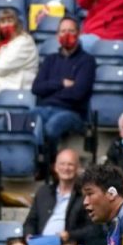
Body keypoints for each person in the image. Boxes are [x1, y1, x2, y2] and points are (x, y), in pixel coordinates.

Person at [31, 19, 95, 164]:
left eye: (71, 31)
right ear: (57, 36)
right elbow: (36, 88)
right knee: (28, 120)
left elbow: (78, 93)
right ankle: (36, 163)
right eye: (63, 31)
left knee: (51, 127)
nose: (67, 35)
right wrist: (61, 83)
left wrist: (50, 91)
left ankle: (48, 166)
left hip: (72, 113)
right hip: (44, 108)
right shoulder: (50, 60)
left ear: (79, 34)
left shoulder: (87, 61)